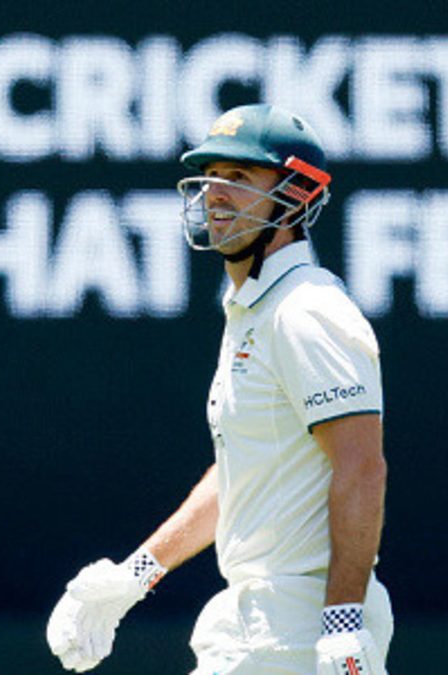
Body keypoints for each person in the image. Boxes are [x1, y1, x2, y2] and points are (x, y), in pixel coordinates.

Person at [46, 103, 392, 674]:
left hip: (300, 625)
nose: (216, 194)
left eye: (239, 178)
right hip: (257, 620)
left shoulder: (306, 310)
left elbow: (362, 466)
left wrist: (341, 623)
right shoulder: (256, 310)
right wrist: (133, 576)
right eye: (209, 178)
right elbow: (245, 472)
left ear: (298, 193)